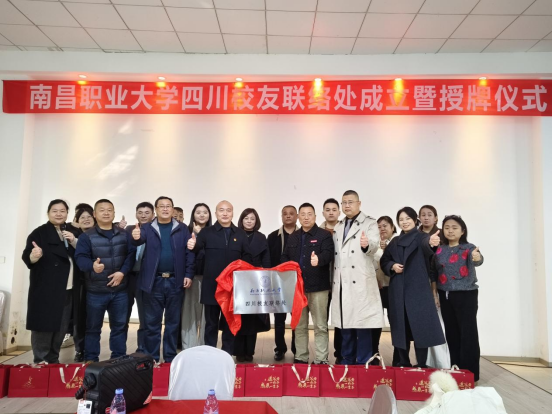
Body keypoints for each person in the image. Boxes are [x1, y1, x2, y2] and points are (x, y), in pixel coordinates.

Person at [131, 196, 195, 363]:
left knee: (173, 323)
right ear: (156, 209)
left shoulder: (182, 228)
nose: (165, 209)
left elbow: (189, 253)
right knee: (152, 323)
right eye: (162, 206)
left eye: (168, 206)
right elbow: (137, 240)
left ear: (173, 209)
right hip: (154, 282)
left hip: (175, 281)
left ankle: (169, 358)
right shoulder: (147, 228)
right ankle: (152, 358)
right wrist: (135, 237)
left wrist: (188, 274)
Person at [380, 207, 445, 368]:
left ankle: (421, 364)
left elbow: (427, 246)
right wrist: (392, 266)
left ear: (415, 220)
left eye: (408, 218)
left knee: (420, 329)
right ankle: (403, 362)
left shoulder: (422, 237)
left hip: (418, 291)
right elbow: (384, 261)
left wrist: (431, 243)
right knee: (400, 329)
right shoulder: (395, 241)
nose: (404, 222)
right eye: (401, 219)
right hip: (398, 291)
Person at [75, 199, 136, 362]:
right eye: (102, 210)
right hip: (96, 291)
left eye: (109, 210)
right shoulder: (86, 237)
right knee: (93, 329)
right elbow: (80, 258)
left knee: (119, 327)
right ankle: (91, 361)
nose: (106, 213)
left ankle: (118, 360)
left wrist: (122, 272)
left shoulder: (124, 234)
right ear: (95, 214)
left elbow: (131, 255)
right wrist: (92, 266)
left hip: (120, 291)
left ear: (114, 213)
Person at [187, 200, 252, 354]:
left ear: (233, 213)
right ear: (216, 213)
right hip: (212, 286)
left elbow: (247, 257)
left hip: (233, 287)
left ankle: (227, 354)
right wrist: (192, 245)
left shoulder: (240, 234)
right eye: (221, 210)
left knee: (230, 323)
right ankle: (210, 354)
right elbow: (196, 248)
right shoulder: (207, 232)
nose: (225, 213)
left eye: (228, 210)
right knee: (210, 324)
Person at [22, 199, 78, 364]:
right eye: (55, 211)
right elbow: (27, 256)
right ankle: (41, 361)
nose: (59, 214)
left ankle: (53, 362)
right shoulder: (39, 233)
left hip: (67, 289)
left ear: (67, 213)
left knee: (61, 328)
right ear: (48, 213)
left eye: (62, 211)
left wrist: (74, 241)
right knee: (44, 327)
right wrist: (34, 256)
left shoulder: (69, 232)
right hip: (46, 290)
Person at [331, 190, 383, 365]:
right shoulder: (338, 226)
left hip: (361, 280)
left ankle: (363, 361)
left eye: (350, 202)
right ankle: (346, 359)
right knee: (346, 324)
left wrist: (367, 245)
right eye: (344, 202)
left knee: (363, 324)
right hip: (342, 281)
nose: (347, 205)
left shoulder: (370, 223)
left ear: (359, 204)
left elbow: (374, 245)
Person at [432, 215, 484, 381]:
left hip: (466, 294)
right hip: (445, 294)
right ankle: (456, 370)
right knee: (451, 334)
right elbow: (434, 272)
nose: (450, 231)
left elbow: (478, 260)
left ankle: (471, 374)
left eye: (454, 228)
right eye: (447, 227)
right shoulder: (439, 249)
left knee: (468, 334)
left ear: (462, 231)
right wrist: (435, 293)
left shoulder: (469, 248)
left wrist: (477, 257)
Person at [281, 203, 334, 365]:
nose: (306, 217)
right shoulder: (293, 236)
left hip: (318, 288)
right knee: (300, 325)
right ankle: (301, 357)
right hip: (298, 289)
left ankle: (321, 359)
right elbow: (285, 256)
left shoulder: (324, 235)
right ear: (299, 217)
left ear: (315, 216)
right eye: (302, 214)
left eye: (309, 214)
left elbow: (329, 254)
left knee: (320, 325)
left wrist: (319, 259)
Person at [234, 208, 271, 362]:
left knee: (252, 318)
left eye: (252, 219)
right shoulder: (235, 235)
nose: (249, 221)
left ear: (256, 221)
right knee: (238, 315)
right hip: (238, 281)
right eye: (246, 218)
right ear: (241, 220)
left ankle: (249, 351)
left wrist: (266, 276)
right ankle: (238, 351)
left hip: (256, 281)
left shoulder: (261, 237)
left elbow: (266, 259)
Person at [267, 205, 298, 361]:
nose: (288, 216)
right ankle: (280, 348)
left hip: (297, 285)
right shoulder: (273, 237)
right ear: (281, 216)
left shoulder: (303, 235)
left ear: (296, 216)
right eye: (285, 214)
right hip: (277, 284)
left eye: (291, 213)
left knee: (297, 319)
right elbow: (268, 260)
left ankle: (297, 349)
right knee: (279, 320)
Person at [181, 203, 212, 349]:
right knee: (189, 314)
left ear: (209, 215)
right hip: (191, 278)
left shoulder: (213, 232)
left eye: (205, 212)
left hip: (209, 278)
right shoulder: (186, 231)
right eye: (198, 212)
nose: (202, 215)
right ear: (193, 214)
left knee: (207, 315)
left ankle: (205, 346)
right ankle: (189, 346)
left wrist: (201, 237)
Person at [125, 201, 154, 354]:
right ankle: (119, 351)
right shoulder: (128, 230)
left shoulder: (155, 232)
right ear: (136, 214)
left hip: (145, 278)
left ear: (153, 215)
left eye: (147, 213)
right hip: (128, 277)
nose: (143, 215)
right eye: (140, 212)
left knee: (144, 317)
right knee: (122, 316)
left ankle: (142, 349)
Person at [372, 216, 399, 366]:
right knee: (375, 322)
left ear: (392, 228)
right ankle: (374, 354)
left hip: (393, 288)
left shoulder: (398, 242)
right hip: (377, 288)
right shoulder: (374, 244)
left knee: (395, 322)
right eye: (379, 226)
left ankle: (398, 356)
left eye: (385, 226)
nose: (382, 229)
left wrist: (386, 248)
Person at [70, 204, 96, 362]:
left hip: (97, 281)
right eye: (82, 218)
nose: (86, 220)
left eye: (89, 217)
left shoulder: (99, 233)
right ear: (77, 221)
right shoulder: (72, 234)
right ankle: (80, 349)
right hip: (79, 282)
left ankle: (91, 351)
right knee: (80, 318)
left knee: (93, 319)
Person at [319, 198, 343, 363]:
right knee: (322, 320)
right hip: (323, 281)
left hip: (342, 281)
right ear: (323, 213)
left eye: (334, 209)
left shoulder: (345, 230)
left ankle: (340, 353)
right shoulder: (317, 231)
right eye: (327, 210)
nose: (331, 212)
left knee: (341, 318)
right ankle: (322, 355)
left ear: (339, 212)